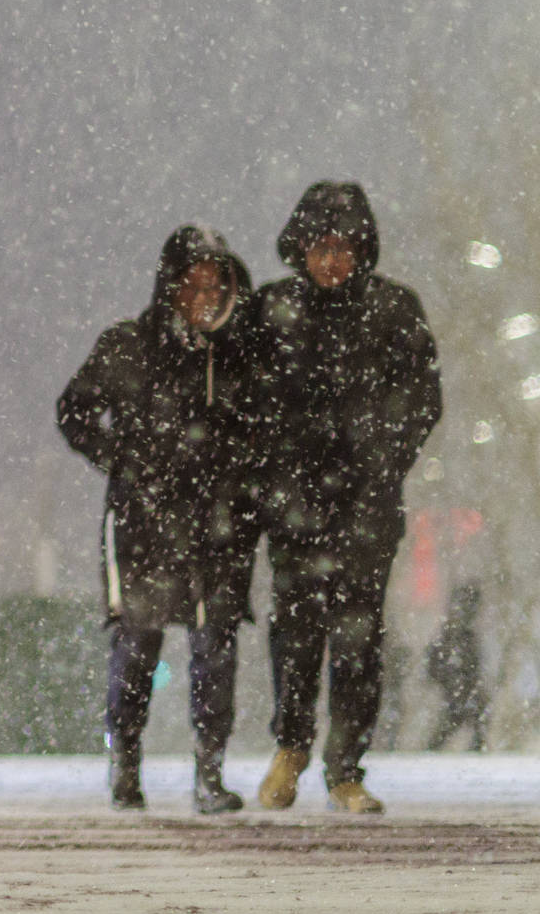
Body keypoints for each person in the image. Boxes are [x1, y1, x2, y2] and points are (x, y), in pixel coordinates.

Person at [58, 225, 269, 813]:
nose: (205, 295)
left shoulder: (239, 356)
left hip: (220, 523)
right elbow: (73, 411)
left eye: (217, 283)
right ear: (170, 285)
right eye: (194, 282)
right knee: (137, 647)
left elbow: (265, 430)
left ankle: (209, 775)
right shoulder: (128, 345)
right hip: (144, 522)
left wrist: (245, 480)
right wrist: (121, 460)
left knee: (216, 646)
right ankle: (124, 766)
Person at [253, 181, 440, 814]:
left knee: (359, 642)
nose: (330, 260)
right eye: (318, 247)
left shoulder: (393, 311)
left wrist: (384, 459)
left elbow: (422, 399)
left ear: (362, 249)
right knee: (295, 634)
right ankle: (291, 747)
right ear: (298, 249)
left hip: (367, 509)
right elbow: (246, 402)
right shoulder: (271, 311)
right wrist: (273, 472)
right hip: (294, 508)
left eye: (342, 247)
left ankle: (346, 769)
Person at [424, 581, 488, 753]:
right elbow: (435, 660)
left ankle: (476, 748)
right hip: (458, 685)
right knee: (458, 719)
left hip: (462, 685)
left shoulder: (462, 633)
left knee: (467, 719)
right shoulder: (455, 633)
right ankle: (433, 750)